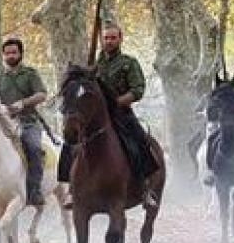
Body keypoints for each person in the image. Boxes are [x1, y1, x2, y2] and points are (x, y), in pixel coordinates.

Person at [58, 24, 160, 207]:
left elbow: (137, 90)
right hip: (93, 115)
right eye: (106, 38)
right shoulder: (94, 65)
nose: (109, 41)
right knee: (70, 141)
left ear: (120, 39)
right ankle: (71, 190)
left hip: (120, 113)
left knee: (140, 141)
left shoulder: (129, 63)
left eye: (113, 38)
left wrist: (117, 102)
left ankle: (145, 188)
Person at [0, 37, 49, 206]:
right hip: (3, 124)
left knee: (34, 147)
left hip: (27, 122)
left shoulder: (30, 74)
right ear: (3, 55)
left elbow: (42, 94)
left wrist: (23, 103)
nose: (10, 56)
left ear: (21, 54)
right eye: (7, 53)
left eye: (14, 52)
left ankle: (34, 190)